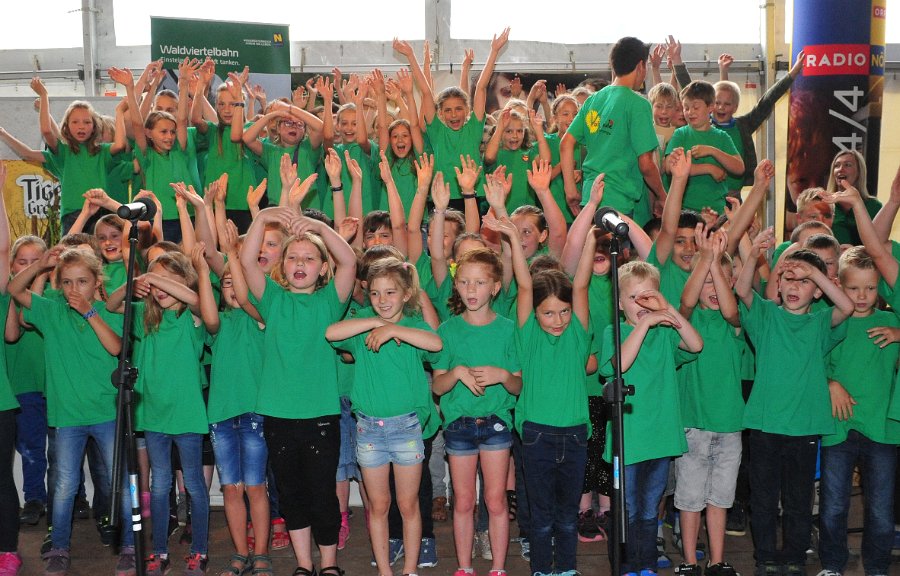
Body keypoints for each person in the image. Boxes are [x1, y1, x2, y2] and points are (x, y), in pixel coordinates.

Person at [241, 207, 356, 576]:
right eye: (292, 257)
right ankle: (304, 565)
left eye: (310, 258)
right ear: (282, 265)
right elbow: (246, 262)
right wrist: (263, 218)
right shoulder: (272, 299)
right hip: (279, 415)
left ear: (324, 268)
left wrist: (320, 226)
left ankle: (328, 565)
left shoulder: (329, 302)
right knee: (291, 494)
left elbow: (350, 260)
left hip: (320, 414)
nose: (300, 263)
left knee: (324, 494)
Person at [8, 246, 134, 576]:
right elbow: (14, 290)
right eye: (66, 282)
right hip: (66, 417)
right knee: (63, 486)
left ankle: (131, 547)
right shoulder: (51, 312)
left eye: (81, 281)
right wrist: (39, 265)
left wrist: (90, 312)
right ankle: (60, 546)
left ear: (96, 282)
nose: (74, 289)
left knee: (117, 481)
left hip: (106, 414)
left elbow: (116, 347)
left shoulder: (108, 311)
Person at [735, 229, 854, 576]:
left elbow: (845, 305)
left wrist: (813, 271)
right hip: (765, 426)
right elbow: (742, 290)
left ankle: (795, 556)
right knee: (764, 498)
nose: (793, 286)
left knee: (799, 500)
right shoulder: (766, 317)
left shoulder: (820, 322)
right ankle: (766, 556)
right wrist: (755, 253)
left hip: (804, 428)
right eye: (787, 278)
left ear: (817, 290)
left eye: (802, 282)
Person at [484, 203, 593, 576]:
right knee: (542, 515)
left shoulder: (578, 337)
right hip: (537, 435)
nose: (558, 319)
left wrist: (593, 232)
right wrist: (513, 238)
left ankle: (565, 570)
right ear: (535, 315)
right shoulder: (528, 335)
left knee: (567, 516)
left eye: (563, 312)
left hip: (576, 434)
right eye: (548, 313)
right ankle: (542, 571)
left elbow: (579, 283)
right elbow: (526, 286)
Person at [326, 257, 442, 576]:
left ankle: (409, 569)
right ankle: (385, 572)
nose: (382, 301)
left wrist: (395, 330)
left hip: (407, 428)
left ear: (406, 294)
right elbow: (332, 332)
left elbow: (436, 343)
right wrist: (376, 324)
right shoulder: (365, 323)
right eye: (375, 293)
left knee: (408, 504)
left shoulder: (413, 325)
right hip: (369, 429)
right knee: (378, 506)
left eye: (391, 293)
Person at [107, 247, 215, 576]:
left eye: (171, 282)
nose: (161, 289)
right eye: (156, 284)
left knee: (194, 485)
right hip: (154, 414)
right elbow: (111, 305)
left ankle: (200, 550)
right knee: (159, 483)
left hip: (186, 415)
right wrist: (133, 284)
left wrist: (157, 278)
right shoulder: (145, 316)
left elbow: (197, 300)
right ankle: (159, 552)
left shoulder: (190, 317)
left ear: (184, 282)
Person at [597, 258, 703, 576]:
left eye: (648, 295)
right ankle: (626, 564)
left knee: (649, 507)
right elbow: (619, 366)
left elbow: (696, 344)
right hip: (629, 441)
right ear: (619, 304)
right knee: (626, 507)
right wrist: (644, 323)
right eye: (634, 298)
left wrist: (667, 309)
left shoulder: (666, 334)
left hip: (659, 437)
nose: (642, 303)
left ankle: (645, 564)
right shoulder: (613, 332)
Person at [431, 248, 522, 576]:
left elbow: (517, 386)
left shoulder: (510, 329)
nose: (470, 290)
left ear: (495, 287)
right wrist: (455, 373)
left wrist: (502, 375)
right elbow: (437, 388)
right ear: (456, 285)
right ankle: (465, 567)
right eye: (464, 282)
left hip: (497, 423)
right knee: (464, 500)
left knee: (496, 501)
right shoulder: (448, 330)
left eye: (479, 283)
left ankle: (498, 568)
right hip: (459, 426)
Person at [204, 220, 272, 576]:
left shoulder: (262, 317)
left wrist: (233, 254)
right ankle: (240, 552)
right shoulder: (216, 324)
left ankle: (260, 552)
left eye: (238, 281)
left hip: (255, 415)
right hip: (221, 416)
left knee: (256, 487)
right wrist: (205, 266)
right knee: (231, 489)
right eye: (226, 282)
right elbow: (207, 304)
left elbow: (248, 293)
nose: (233, 287)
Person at [676, 227, 744, 576]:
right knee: (690, 500)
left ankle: (717, 560)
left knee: (720, 500)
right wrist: (705, 260)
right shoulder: (689, 321)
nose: (714, 290)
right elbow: (686, 303)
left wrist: (715, 265)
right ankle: (689, 561)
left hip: (729, 427)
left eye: (720, 282)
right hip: (693, 426)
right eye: (706, 283)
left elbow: (732, 310)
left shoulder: (734, 323)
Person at [395, 28, 509, 208]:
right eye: (448, 110)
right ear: (440, 113)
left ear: (467, 110)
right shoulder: (437, 130)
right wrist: (410, 56)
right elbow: (426, 91)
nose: (454, 114)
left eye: (458, 109)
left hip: (471, 195)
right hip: (440, 198)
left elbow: (480, 87)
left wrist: (494, 52)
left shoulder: (474, 127)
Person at [0, 78, 127, 233]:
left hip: (100, 212)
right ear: (66, 126)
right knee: (72, 255)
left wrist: (119, 112)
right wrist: (44, 96)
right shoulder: (64, 153)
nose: (81, 126)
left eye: (87, 122)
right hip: (73, 214)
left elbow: (120, 144)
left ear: (94, 127)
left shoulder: (102, 151)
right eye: (75, 122)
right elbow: (46, 132)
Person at [562, 36, 666, 224]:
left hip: (590, 198)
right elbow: (646, 163)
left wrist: (570, 190)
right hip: (619, 203)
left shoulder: (593, 100)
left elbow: (566, 143)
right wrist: (661, 194)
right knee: (619, 254)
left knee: (593, 253)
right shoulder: (638, 104)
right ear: (641, 66)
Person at [110, 60, 198, 242]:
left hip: (187, 215)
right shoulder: (146, 156)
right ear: (149, 133)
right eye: (163, 132)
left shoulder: (179, 150)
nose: (169, 137)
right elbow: (136, 123)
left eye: (172, 132)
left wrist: (184, 84)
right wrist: (130, 88)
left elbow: (182, 119)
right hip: (158, 219)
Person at [711, 52, 804, 195]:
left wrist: (793, 73)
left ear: (735, 107)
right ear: (710, 104)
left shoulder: (743, 126)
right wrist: (723, 71)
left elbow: (767, 101)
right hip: (708, 193)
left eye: (727, 104)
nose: (721, 108)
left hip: (733, 195)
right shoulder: (705, 125)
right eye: (717, 103)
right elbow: (693, 93)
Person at [664, 81, 744, 213]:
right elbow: (668, 166)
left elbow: (739, 168)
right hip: (684, 210)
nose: (690, 112)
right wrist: (708, 168)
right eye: (686, 107)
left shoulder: (722, 137)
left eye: (695, 107)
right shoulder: (680, 134)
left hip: (716, 210)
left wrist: (713, 151)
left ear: (710, 107)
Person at [484, 108, 551, 213]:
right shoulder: (496, 153)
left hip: (526, 215)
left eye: (519, 131)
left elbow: (545, 161)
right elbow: (489, 157)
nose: (514, 136)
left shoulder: (528, 153)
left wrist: (539, 131)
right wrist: (500, 128)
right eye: (509, 131)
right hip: (500, 214)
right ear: (501, 132)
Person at [824, 150, 881, 245]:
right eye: (837, 166)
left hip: (863, 258)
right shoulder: (825, 204)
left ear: (859, 172)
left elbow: (880, 243)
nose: (840, 169)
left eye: (847, 165)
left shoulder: (874, 206)